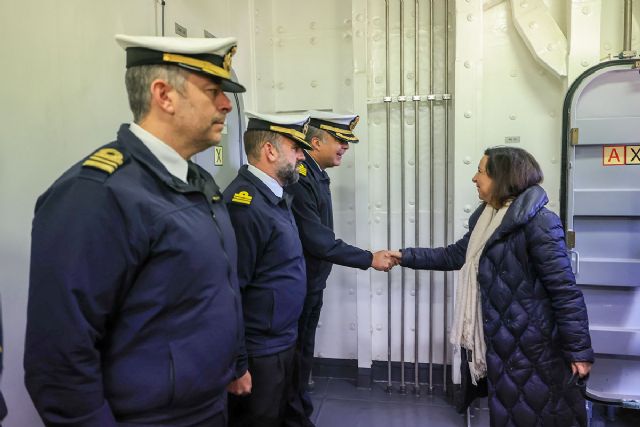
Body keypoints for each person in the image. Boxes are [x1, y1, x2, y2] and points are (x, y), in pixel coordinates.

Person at [25, 34, 246, 426]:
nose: (226, 104)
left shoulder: (197, 180)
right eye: (213, 91)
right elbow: (60, 357)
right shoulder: (98, 193)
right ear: (164, 95)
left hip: (206, 405)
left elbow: (217, 287)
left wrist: (234, 363)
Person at [391, 146, 593, 426]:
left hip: (532, 347)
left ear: (503, 178)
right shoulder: (487, 218)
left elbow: (565, 292)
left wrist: (579, 351)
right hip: (502, 343)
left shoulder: (539, 223)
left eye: (481, 172)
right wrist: (403, 256)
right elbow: (455, 255)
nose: (474, 178)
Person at [285, 111, 397, 423]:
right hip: (300, 282)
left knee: (303, 351)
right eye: (339, 140)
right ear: (315, 142)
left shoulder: (316, 173)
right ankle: (292, 415)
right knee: (295, 354)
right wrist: (369, 258)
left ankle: (299, 411)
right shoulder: (300, 178)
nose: (345, 147)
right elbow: (318, 241)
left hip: (312, 280)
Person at [224, 112, 311, 427]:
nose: (302, 156)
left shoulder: (272, 196)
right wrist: (238, 364)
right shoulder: (245, 206)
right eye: (295, 148)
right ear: (270, 151)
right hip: (259, 351)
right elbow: (230, 291)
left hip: (282, 340)